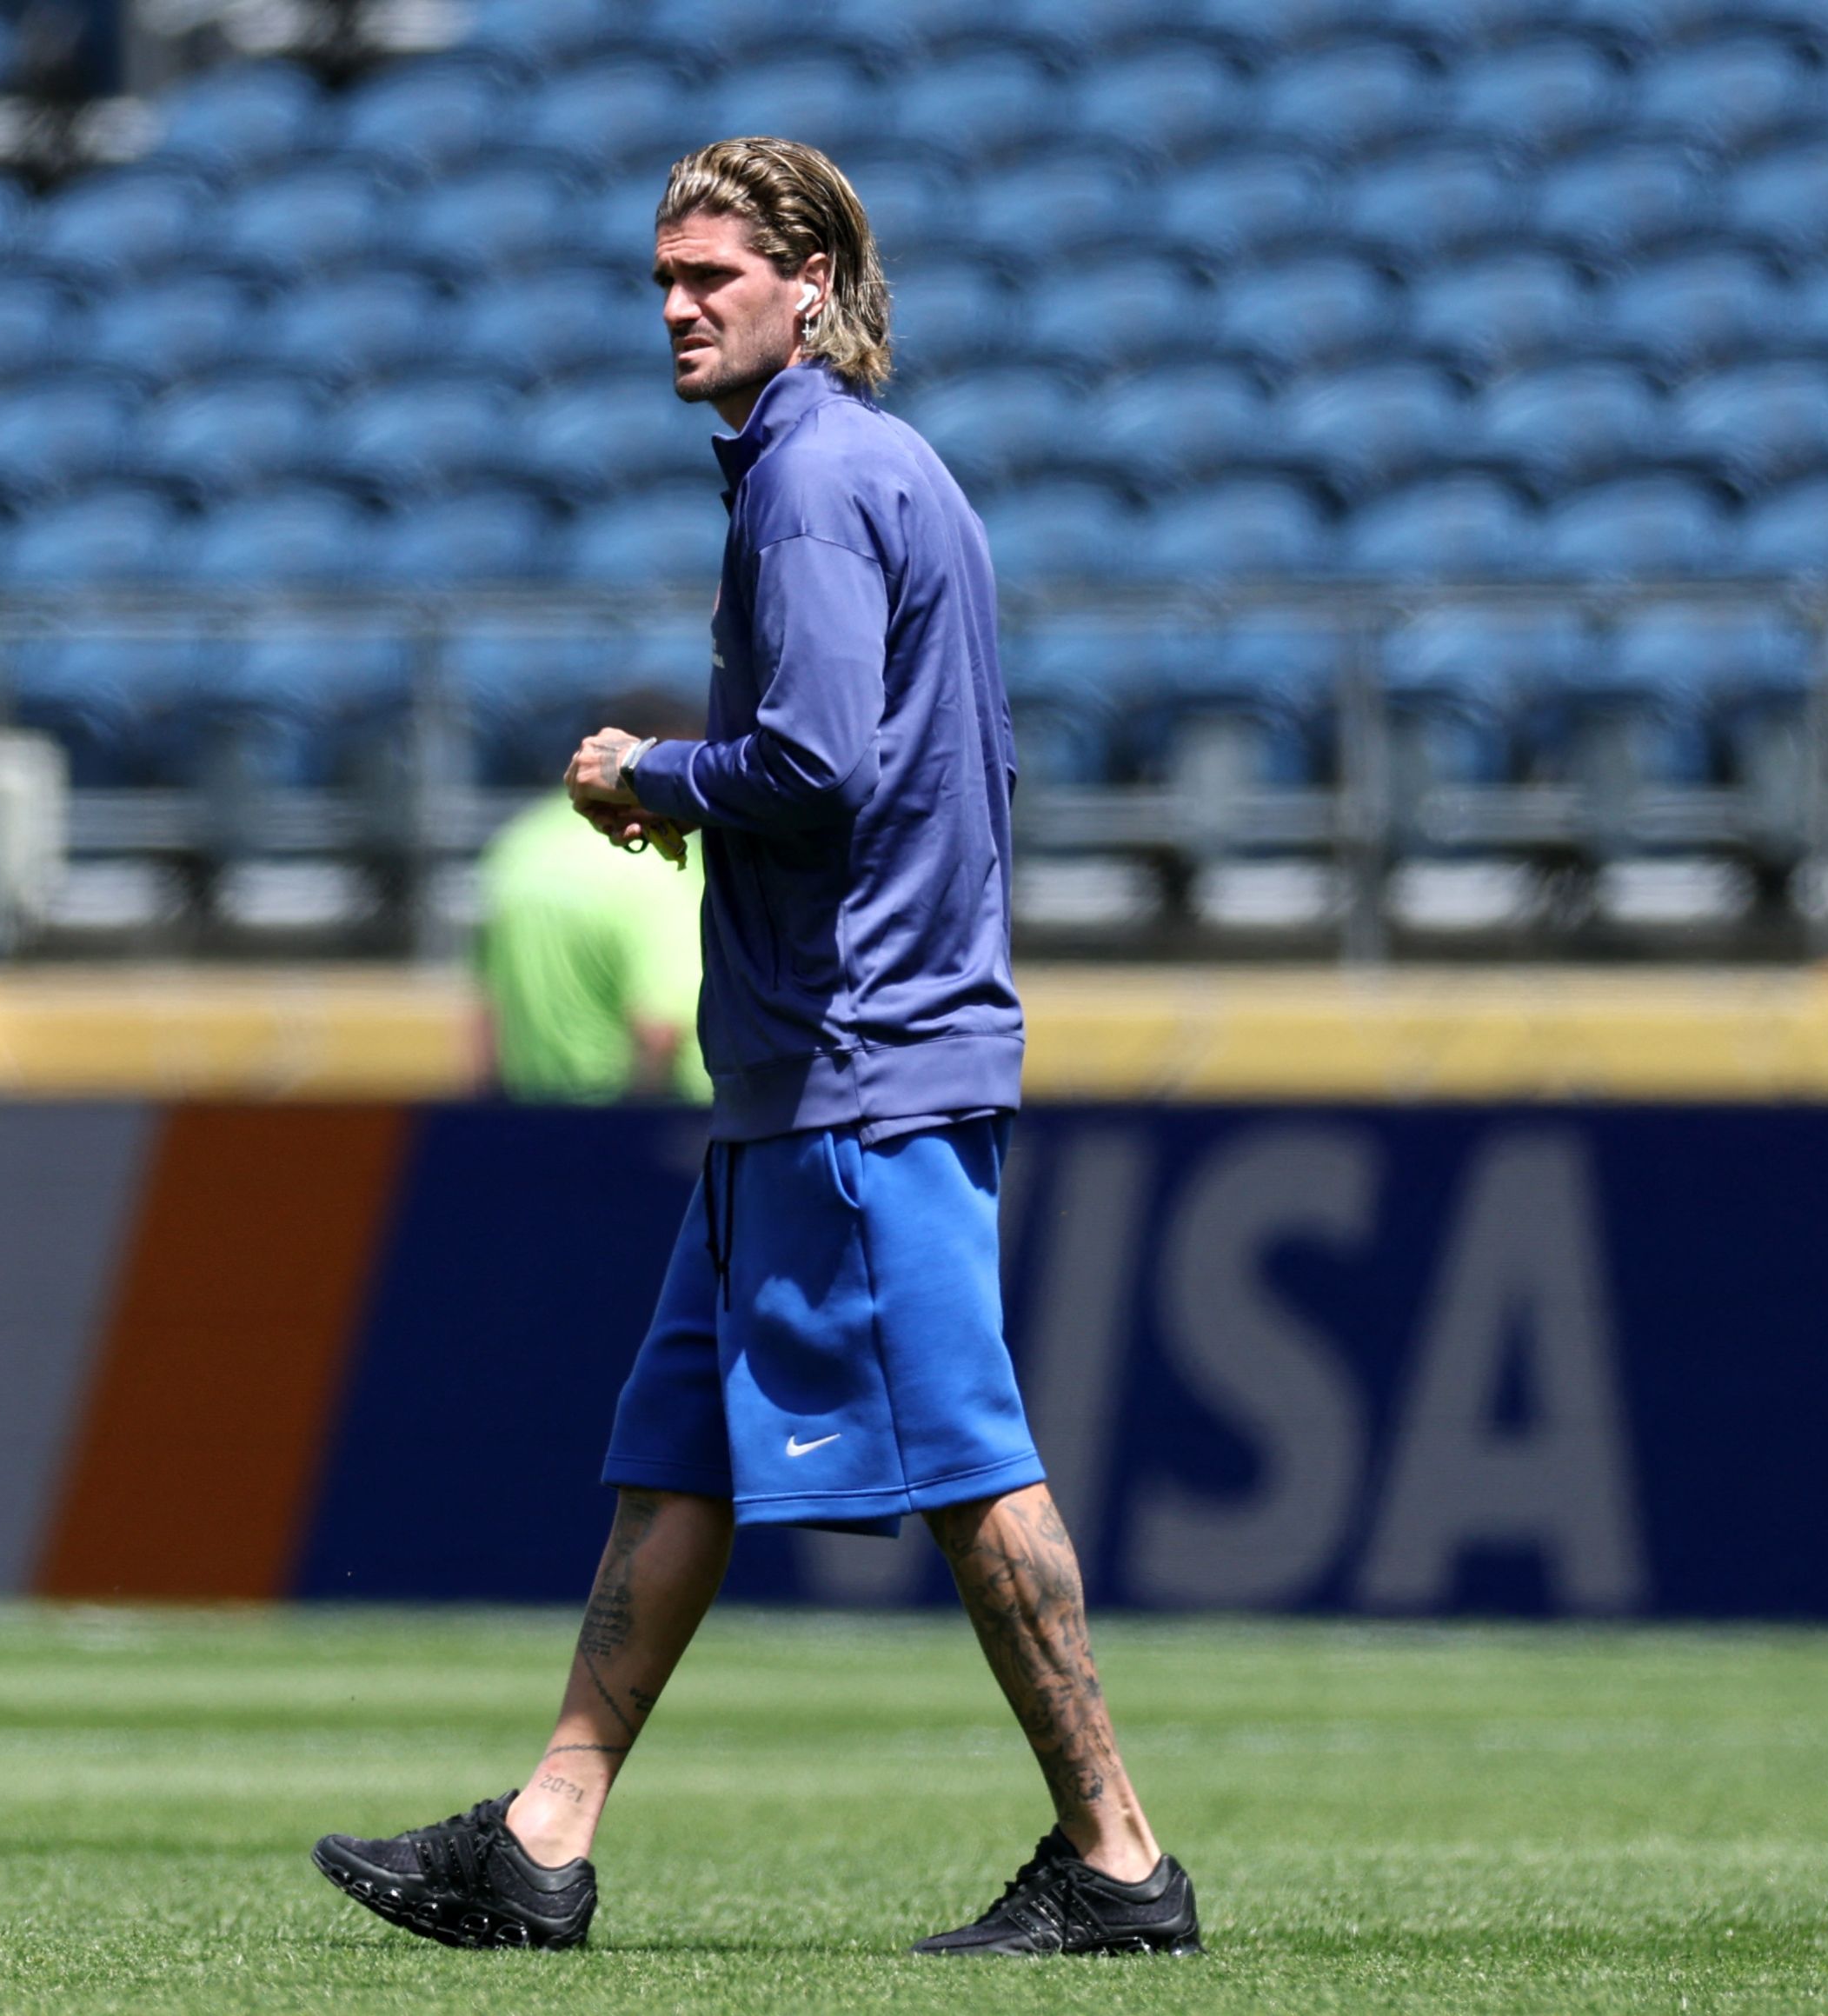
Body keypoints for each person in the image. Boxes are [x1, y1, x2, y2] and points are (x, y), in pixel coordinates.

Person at [311, 138, 1200, 1959]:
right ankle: (541, 1837)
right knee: (680, 1454)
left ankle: (1117, 1858)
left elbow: (815, 760)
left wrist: (648, 773)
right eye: (661, 276)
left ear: (810, 284)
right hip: (819, 1058)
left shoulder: (806, 479)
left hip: (857, 1061)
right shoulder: (877, 465)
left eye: (709, 274)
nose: (675, 306)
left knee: (967, 1459)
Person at [475, 693, 714, 1106]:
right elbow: (659, 1030)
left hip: (535, 1116)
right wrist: (634, 1134)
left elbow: (486, 1011)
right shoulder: (656, 860)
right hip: (659, 1119)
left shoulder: (517, 847)